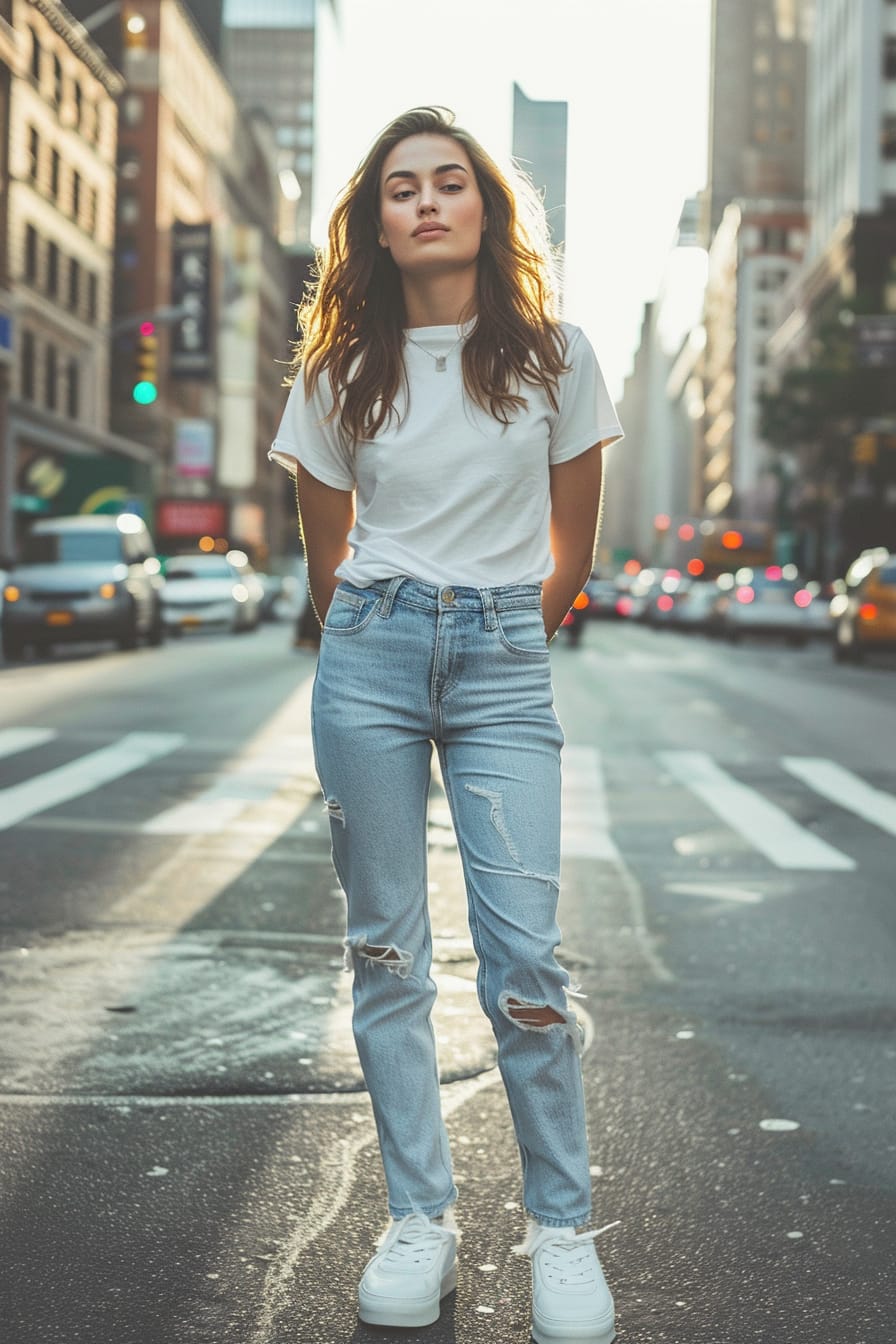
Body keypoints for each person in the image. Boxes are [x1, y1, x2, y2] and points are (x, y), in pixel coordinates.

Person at [269, 105, 623, 1344]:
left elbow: (570, 555)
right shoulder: (335, 373)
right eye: (400, 187)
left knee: (523, 957)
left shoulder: (554, 357)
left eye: (450, 183)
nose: (425, 201)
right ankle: (419, 1219)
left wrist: (493, 626)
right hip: (366, 655)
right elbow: (327, 564)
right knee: (386, 957)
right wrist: (388, 625)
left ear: (486, 209)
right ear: (373, 221)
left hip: (501, 664)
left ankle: (560, 1232)